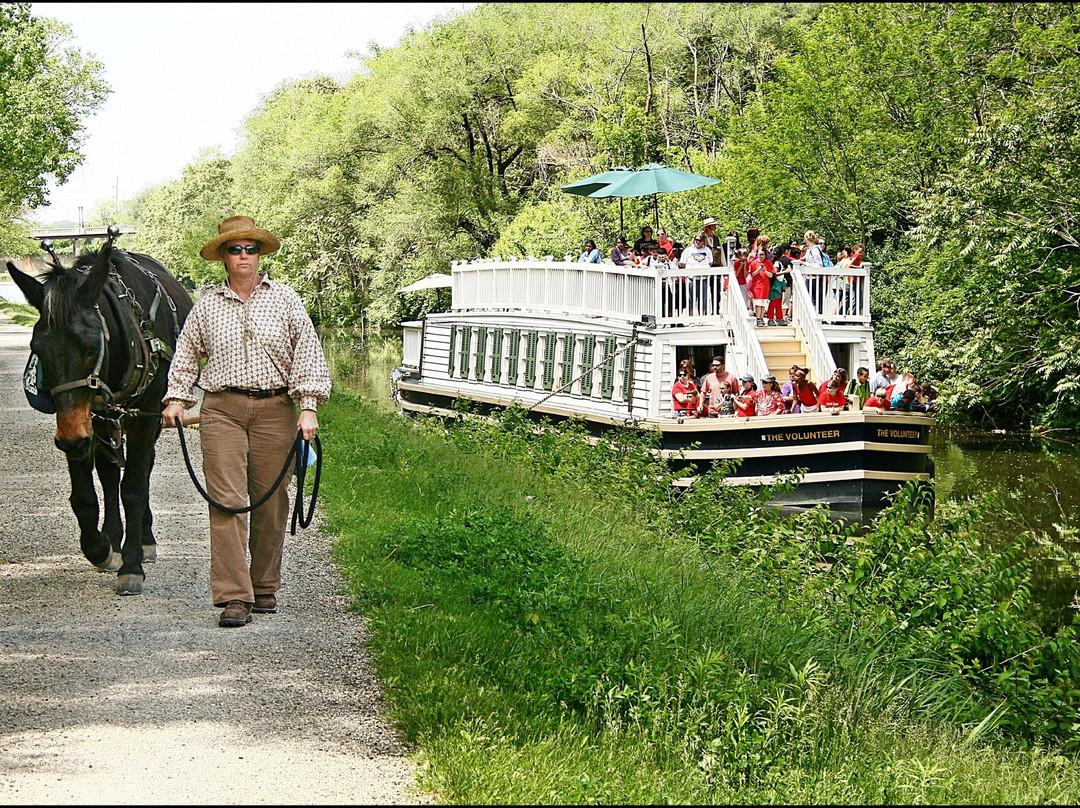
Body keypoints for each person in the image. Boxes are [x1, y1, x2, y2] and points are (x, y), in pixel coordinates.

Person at [162, 216, 331, 628]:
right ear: (222, 256)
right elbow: (186, 355)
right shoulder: (206, 307)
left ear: (259, 254)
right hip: (221, 409)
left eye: (250, 248)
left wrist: (307, 406)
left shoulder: (286, 300)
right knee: (226, 501)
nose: (243, 256)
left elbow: (307, 352)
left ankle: (264, 585)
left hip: (277, 410)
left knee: (272, 501)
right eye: (234, 249)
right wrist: (177, 400)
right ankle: (234, 596)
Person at [748, 236, 773, 326]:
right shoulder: (754, 263)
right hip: (757, 286)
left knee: (763, 303)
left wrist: (765, 271)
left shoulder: (768, 263)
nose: (761, 256)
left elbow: (771, 274)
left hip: (765, 286)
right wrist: (758, 270)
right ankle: (758, 318)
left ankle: (761, 317)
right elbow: (752, 274)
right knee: (758, 302)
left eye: (763, 254)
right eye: (760, 254)